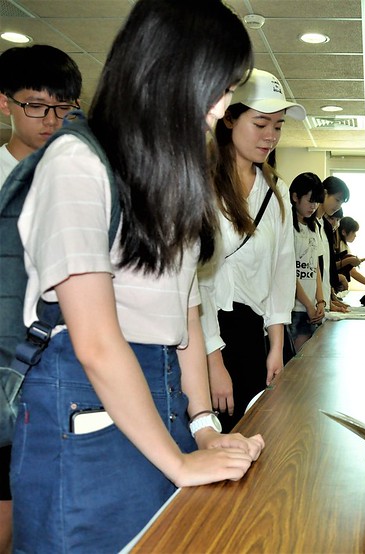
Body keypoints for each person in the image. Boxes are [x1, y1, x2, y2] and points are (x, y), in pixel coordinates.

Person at [11, 1, 266, 551]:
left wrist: (202, 425)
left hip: (163, 398)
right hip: (84, 398)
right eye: (217, 87)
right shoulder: (77, 163)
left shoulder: (170, 177)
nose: (222, 109)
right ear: (169, 72)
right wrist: (177, 458)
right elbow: (97, 343)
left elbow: (186, 316)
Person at [0, 42, 82, 554]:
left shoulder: (78, 177)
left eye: (63, 107)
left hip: (61, 362)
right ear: (4, 102)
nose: (50, 119)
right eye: (35, 105)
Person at [199, 68, 302, 432]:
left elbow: (281, 272)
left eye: (278, 125)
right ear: (229, 118)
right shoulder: (199, 185)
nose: (271, 136)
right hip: (201, 337)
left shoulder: (276, 194)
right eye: (261, 124)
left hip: (250, 335)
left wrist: (276, 347)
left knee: (253, 439)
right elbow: (193, 282)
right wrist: (213, 363)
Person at [289, 172, 326, 351]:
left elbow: (315, 268)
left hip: (311, 308)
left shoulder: (314, 227)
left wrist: (320, 302)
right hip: (295, 308)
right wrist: (308, 305)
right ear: (295, 197)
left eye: (317, 201)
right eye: (310, 200)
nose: (313, 206)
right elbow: (287, 271)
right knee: (296, 366)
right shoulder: (286, 226)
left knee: (309, 361)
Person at [317, 177, 350, 312]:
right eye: (337, 200)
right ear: (324, 193)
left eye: (341, 203)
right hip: (308, 302)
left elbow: (327, 266)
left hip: (322, 301)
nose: (338, 206)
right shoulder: (308, 224)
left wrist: (330, 299)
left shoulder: (326, 228)